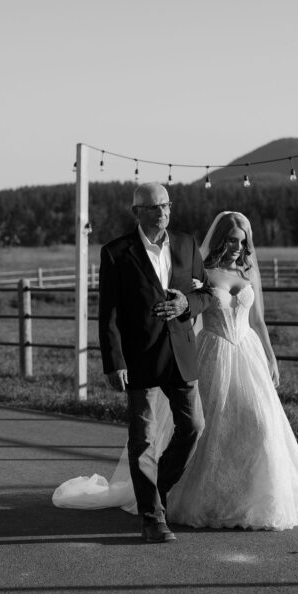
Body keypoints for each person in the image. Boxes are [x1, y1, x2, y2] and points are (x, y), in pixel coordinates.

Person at [53, 210, 298, 532]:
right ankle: (183, 498)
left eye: (244, 241)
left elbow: (258, 320)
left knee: (259, 424)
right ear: (222, 238)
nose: (239, 247)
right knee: (204, 430)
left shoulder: (248, 270)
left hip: (248, 355)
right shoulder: (204, 269)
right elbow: (190, 307)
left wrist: (272, 357)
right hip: (213, 351)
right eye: (233, 240)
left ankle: (253, 499)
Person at [93, 181, 212, 543]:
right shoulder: (116, 253)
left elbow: (205, 292)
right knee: (142, 439)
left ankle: (156, 491)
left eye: (166, 206)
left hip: (180, 353)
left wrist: (186, 305)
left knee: (193, 426)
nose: (162, 213)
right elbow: (108, 313)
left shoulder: (188, 243)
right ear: (137, 213)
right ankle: (152, 518)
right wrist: (114, 362)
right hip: (138, 357)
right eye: (153, 208)